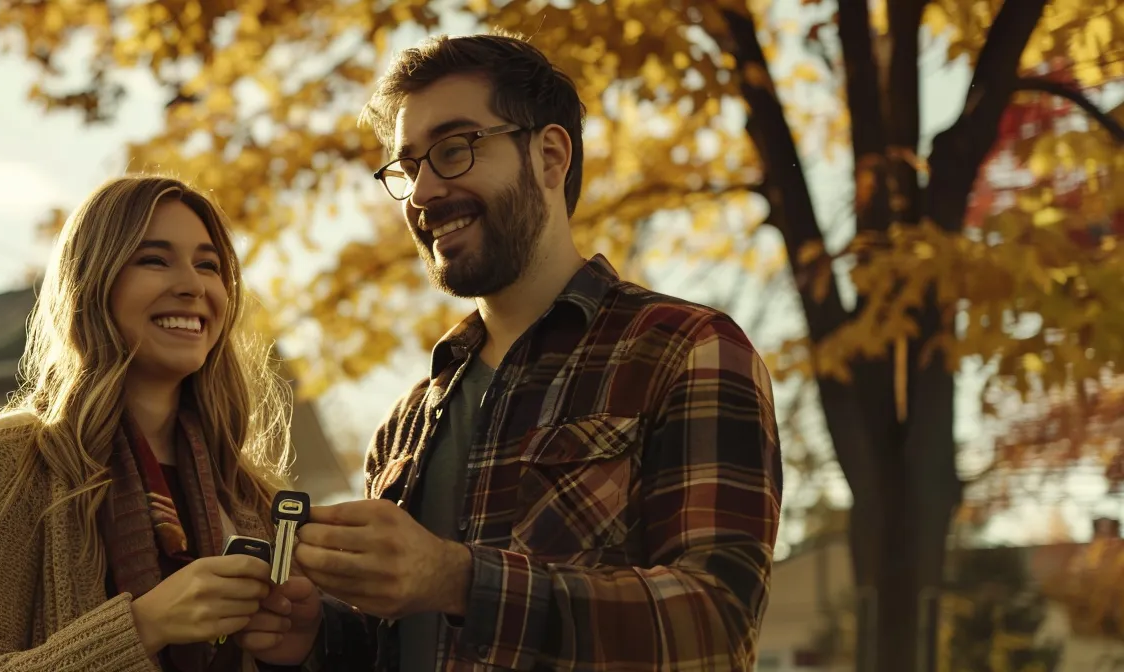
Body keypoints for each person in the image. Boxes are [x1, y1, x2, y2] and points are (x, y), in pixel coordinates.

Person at [237, 32, 784, 671]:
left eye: (454, 149)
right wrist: (316, 638)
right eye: (408, 167)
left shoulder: (685, 351)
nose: (422, 193)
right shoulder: (402, 428)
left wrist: (458, 580)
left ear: (550, 156)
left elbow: (716, 625)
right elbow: (413, 644)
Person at [0, 176, 302, 672]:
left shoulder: (249, 495)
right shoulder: (16, 456)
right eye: (154, 260)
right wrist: (145, 625)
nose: (192, 285)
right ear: (94, 283)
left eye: (208, 265)